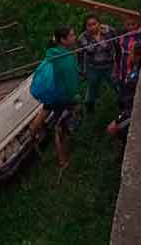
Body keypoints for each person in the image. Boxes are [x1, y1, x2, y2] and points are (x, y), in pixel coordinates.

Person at [30, 25, 80, 169]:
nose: (74, 37)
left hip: (52, 94)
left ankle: (33, 132)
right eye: (71, 36)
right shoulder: (63, 58)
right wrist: (73, 97)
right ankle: (62, 160)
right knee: (60, 128)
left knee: (45, 109)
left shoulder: (53, 51)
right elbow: (70, 82)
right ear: (63, 40)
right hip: (61, 97)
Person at [79, 15, 116, 116]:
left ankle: (123, 104)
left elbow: (112, 46)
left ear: (99, 23)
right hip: (93, 68)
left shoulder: (108, 31)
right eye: (89, 25)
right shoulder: (83, 37)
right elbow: (88, 51)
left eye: (94, 24)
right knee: (92, 88)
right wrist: (82, 70)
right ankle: (90, 109)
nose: (92, 27)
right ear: (85, 27)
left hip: (109, 66)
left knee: (116, 84)